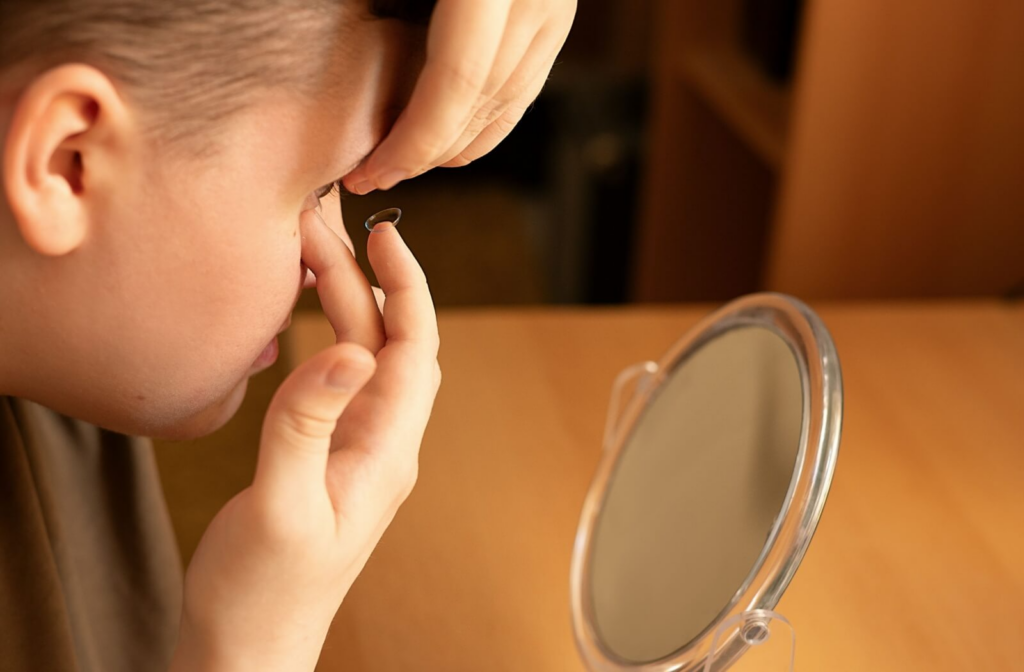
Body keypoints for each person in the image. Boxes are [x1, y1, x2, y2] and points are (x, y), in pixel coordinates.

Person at [0, 1, 576, 671]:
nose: (327, 257)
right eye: (319, 185)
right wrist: (254, 644)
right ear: (70, 162)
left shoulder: (66, 359)